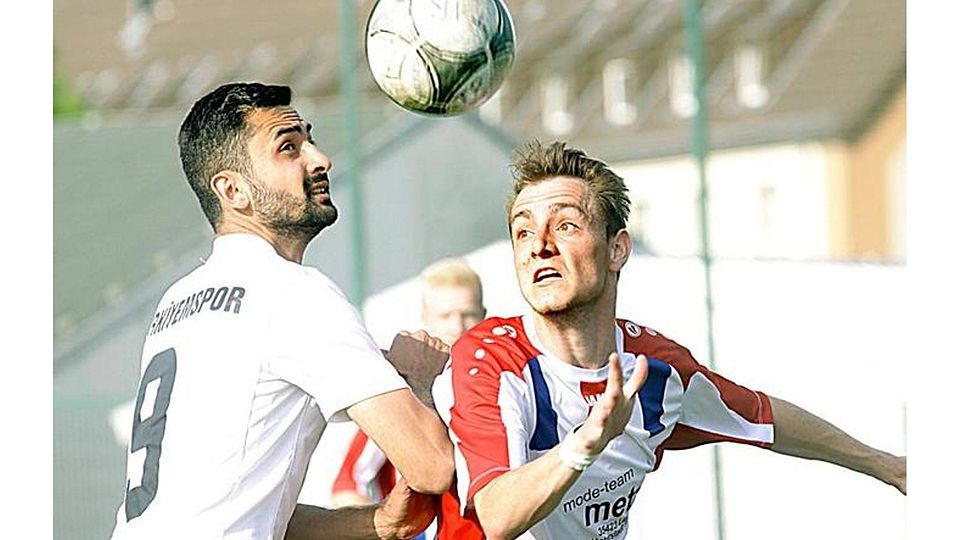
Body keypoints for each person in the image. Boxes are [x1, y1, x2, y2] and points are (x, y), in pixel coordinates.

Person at [431, 141, 907, 540]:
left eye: (566, 225)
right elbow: (493, 517)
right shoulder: (487, 358)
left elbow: (763, 417)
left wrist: (889, 466)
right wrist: (587, 442)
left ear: (617, 248)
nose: (539, 245)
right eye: (523, 231)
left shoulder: (655, 370)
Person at [110, 82, 453, 540]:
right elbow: (431, 467)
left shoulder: (178, 302)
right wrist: (420, 380)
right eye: (289, 148)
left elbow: (232, 507)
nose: (320, 159)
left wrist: (380, 522)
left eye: (309, 139)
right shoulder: (293, 293)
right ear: (233, 190)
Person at [324, 259, 487, 539]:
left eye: (467, 314)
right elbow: (347, 486)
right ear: (425, 317)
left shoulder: (501, 381)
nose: (458, 326)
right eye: (446, 316)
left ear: (483, 315)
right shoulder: (402, 389)